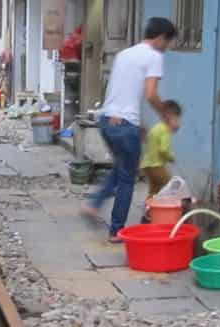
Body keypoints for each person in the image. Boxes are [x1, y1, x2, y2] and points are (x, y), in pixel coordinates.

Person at [82, 17, 176, 242]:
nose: (168, 47)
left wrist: (138, 125)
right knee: (127, 178)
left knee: (121, 169)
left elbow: (123, 93)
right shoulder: (154, 57)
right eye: (169, 42)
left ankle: (94, 205)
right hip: (125, 126)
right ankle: (116, 230)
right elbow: (151, 94)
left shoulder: (124, 54)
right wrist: (167, 115)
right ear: (161, 37)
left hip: (107, 121)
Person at [140, 100, 182, 223]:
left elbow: (149, 142)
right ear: (169, 117)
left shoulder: (156, 128)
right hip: (156, 165)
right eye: (177, 119)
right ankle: (168, 216)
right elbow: (163, 149)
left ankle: (147, 214)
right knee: (170, 187)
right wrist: (171, 157)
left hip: (147, 165)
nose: (178, 123)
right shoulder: (165, 130)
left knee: (154, 190)